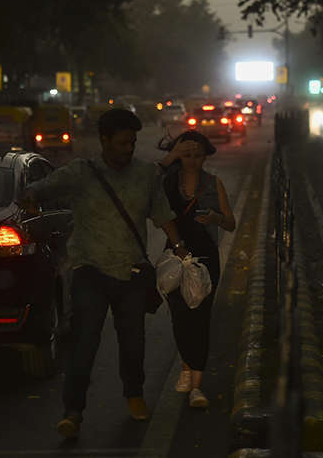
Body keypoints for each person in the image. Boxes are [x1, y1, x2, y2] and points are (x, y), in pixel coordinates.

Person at [17, 108, 192, 440]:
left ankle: (134, 395)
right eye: (123, 142)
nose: (129, 148)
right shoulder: (80, 173)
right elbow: (38, 190)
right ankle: (73, 411)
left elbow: (162, 213)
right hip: (90, 273)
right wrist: (28, 200)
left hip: (132, 273)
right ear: (104, 140)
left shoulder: (145, 175)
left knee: (133, 343)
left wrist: (180, 246)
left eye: (133, 142)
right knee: (83, 345)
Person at [157, 131, 236, 408]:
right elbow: (148, 201)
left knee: (200, 317)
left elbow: (230, 223)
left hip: (206, 258)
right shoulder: (167, 184)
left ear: (206, 156)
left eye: (198, 155)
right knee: (180, 315)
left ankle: (196, 387)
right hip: (175, 256)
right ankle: (187, 366)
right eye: (187, 155)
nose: (192, 161)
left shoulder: (214, 183)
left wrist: (215, 217)